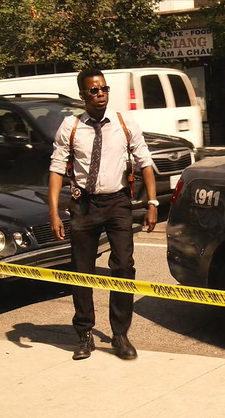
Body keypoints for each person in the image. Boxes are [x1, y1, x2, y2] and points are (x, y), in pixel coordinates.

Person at [48, 68, 159, 361]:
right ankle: (84, 333)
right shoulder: (71, 126)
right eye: (94, 91)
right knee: (82, 270)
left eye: (104, 89)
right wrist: (54, 212)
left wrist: (152, 203)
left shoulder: (124, 123)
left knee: (123, 267)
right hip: (84, 205)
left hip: (118, 203)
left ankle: (120, 334)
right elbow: (56, 169)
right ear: (83, 95)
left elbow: (145, 161)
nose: (100, 95)